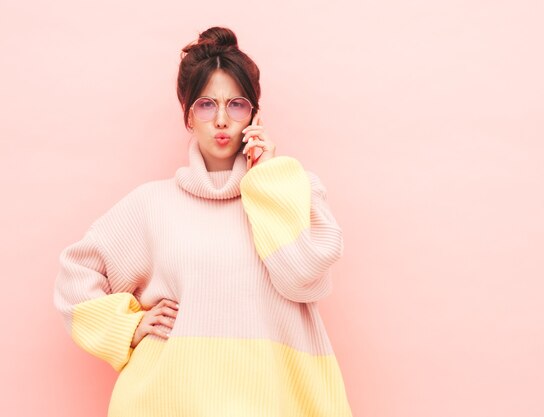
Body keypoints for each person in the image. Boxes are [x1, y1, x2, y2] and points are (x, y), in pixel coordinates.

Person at [52, 26, 354, 417]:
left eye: (237, 104)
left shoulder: (292, 190)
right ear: (188, 117)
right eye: (206, 104)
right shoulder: (151, 205)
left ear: (254, 115)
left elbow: (303, 279)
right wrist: (129, 327)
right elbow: (74, 278)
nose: (222, 119)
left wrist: (267, 180)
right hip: (168, 400)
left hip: (272, 401)